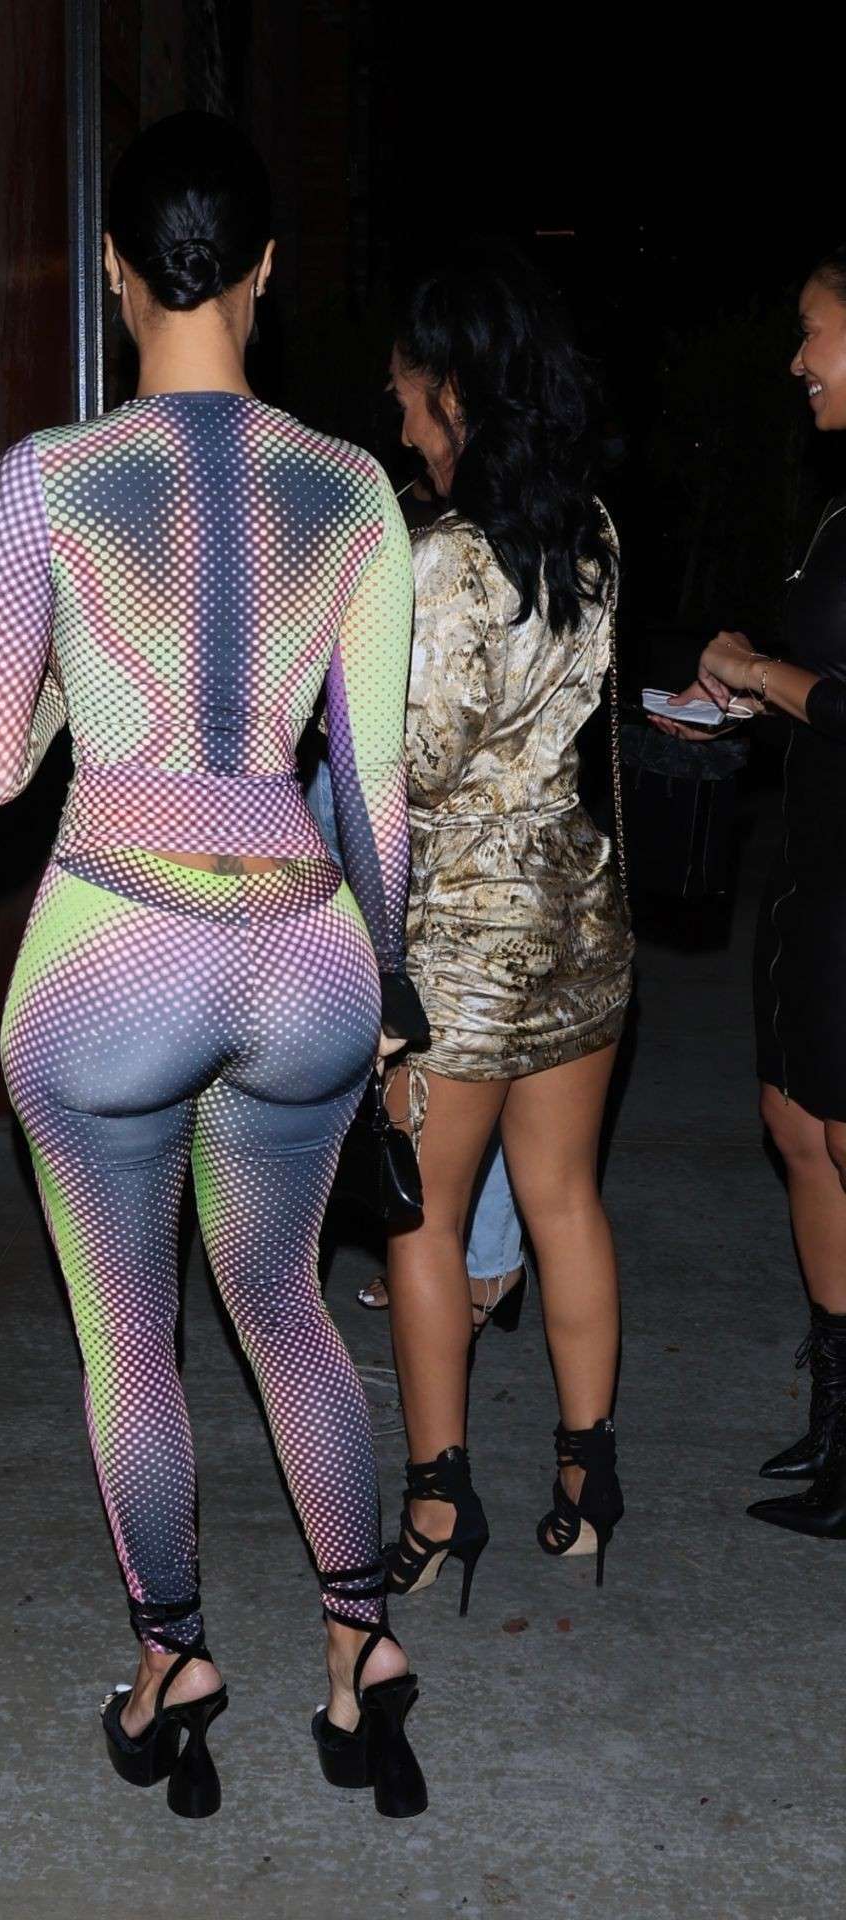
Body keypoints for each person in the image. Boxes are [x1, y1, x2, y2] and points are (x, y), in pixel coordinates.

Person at [0, 112, 428, 1820]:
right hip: (303, 951)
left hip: (113, 957)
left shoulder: (47, 479)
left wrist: (73, 691)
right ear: (267, 271)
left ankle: (173, 1659)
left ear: (115, 268)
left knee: (130, 1336)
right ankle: (361, 1644)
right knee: (285, 1301)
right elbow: (374, 786)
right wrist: (389, 989)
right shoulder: (356, 488)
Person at [380, 241, 634, 1612]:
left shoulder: (443, 563)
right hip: (577, 909)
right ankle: (587, 1488)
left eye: (408, 399)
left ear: (456, 393)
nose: (401, 426)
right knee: (563, 1199)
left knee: (421, 1221)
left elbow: (421, 762)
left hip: (465, 938)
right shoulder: (591, 530)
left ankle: (437, 1502)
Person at [654, 242, 846, 1540]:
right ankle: (835, 1430)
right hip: (814, 868)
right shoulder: (836, 501)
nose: (795, 360)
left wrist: (760, 674)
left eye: (812, 331)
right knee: (795, 1126)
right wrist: (744, 692)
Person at [306, 752, 527, 1326]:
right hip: (346, 773)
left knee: (463, 1042)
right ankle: (468, 1259)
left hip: (467, 806)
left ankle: (476, 1260)